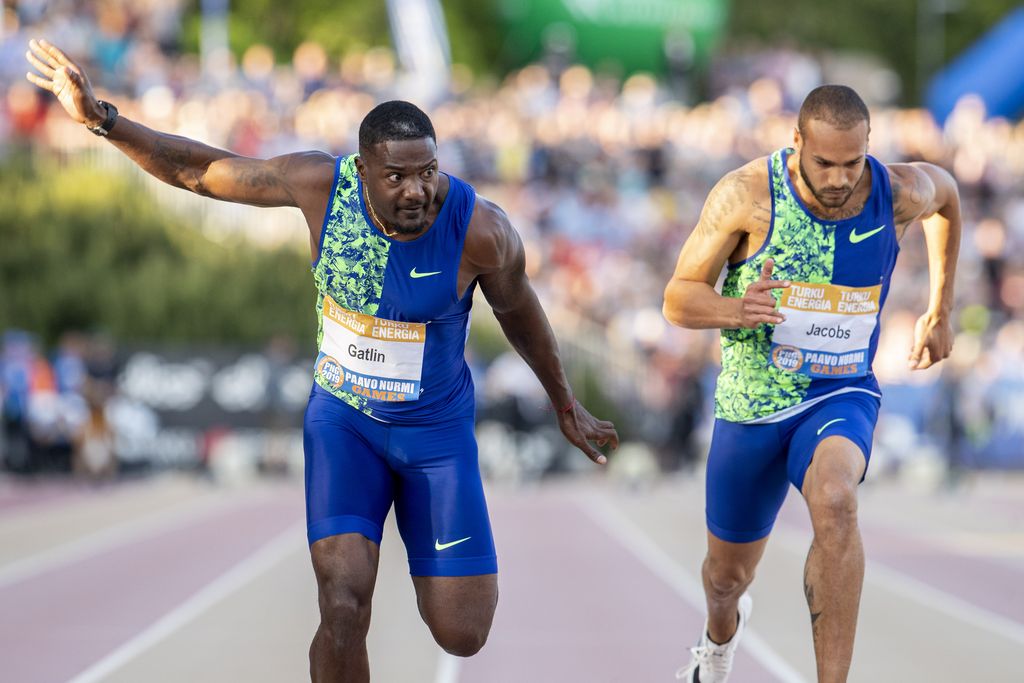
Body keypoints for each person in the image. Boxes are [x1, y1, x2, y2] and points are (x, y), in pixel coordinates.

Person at [25, 39, 619, 682]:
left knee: (464, 632)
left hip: (437, 435)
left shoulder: (482, 231)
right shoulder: (319, 187)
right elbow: (201, 170)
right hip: (345, 423)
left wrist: (565, 402)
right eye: (397, 177)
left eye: (428, 171)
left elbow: (520, 314)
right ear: (362, 169)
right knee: (342, 602)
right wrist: (101, 119)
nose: (417, 190)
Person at [662, 85, 960, 683]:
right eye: (824, 163)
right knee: (726, 579)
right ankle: (719, 638)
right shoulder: (747, 196)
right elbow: (677, 299)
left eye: (852, 162)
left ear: (868, 147)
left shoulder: (896, 191)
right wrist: (734, 308)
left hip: (839, 391)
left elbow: (948, 197)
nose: (839, 178)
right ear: (796, 142)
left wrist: (941, 308)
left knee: (836, 500)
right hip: (752, 406)